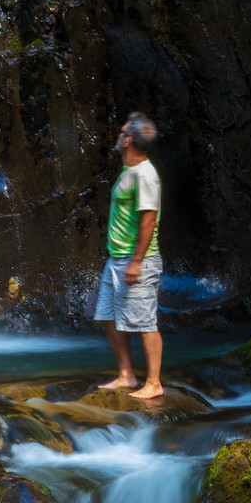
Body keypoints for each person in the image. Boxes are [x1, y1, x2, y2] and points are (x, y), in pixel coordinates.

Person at [95, 113, 163, 401]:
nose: (118, 135)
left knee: (145, 323)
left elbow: (149, 220)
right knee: (108, 317)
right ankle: (127, 375)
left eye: (123, 131)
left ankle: (154, 383)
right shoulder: (129, 169)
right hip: (117, 259)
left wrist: (136, 261)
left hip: (138, 260)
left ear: (129, 139)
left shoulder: (145, 174)